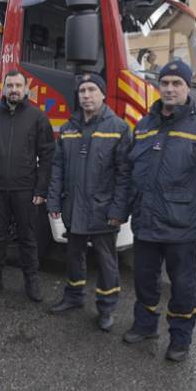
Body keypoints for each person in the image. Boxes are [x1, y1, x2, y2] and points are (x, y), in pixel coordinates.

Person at [122, 60, 196, 362]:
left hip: (181, 225)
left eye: (176, 83)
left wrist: (191, 201)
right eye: (165, 83)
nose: (170, 89)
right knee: (144, 278)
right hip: (145, 219)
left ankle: (180, 337)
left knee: (182, 285)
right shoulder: (145, 124)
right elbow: (132, 168)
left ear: (187, 87)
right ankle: (145, 326)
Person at [46, 74, 131, 331]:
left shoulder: (119, 128)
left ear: (103, 94)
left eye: (92, 89)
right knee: (74, 256)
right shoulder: (68, 128)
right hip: (74, 207)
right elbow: (58, 168)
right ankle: (74, 296)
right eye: (82, 90)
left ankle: (106, 308)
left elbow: (125, 175)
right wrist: (53, 201)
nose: (86, 95)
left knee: (106, 261)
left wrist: (119, 210)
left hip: (103, 210)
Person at [0, 70, 55, 301]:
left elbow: (47, 155)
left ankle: (32, 281)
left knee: (27, 237)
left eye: (18, 86)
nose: (14, 90)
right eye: (10, 86)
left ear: (26, 89)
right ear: (4, 88)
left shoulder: (38, 117)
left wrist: (41, 189)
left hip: (25, 189)